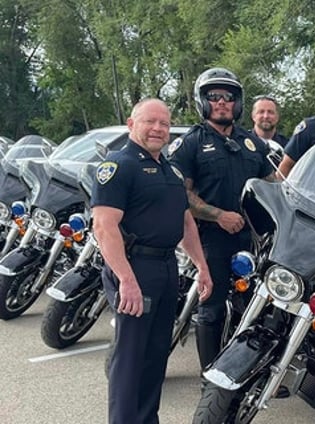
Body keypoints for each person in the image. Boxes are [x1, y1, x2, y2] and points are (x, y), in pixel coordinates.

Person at [92, 99, 213, 424]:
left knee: (156, 355)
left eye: (164, 123)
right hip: (135, 269)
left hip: (166, 268)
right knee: (130, 358)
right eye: (151, 122)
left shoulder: (170, 170)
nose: (159, 128)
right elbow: (104, 226)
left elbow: (185, 222)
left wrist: (201, 265)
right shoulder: (119, 166)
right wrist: (126, 280)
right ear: (132, 124)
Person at [168, 67, 277, 371]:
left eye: (228, 97)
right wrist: (217, 216)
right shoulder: (190, 143)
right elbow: (181, 194)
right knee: (212, 307)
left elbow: (273, 185)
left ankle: (250, 369)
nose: (221, 102)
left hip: (252, 238)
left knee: (254, 307)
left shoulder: (252, 144)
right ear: (203, 101)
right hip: (210, 238)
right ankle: (211, 374)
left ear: (237, 103)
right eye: (213, 96)